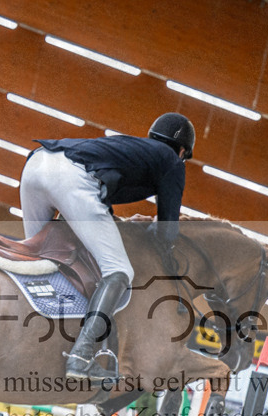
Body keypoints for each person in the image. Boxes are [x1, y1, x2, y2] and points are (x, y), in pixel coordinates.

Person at [19, 112, 196, 387]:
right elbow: (167, 228)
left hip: (36, 163)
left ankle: (24, 331)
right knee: (120, 270)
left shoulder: (131, 149)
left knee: (37, 257)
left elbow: (99, 202)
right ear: (183, 150)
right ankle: (81, 355)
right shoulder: (172, 161)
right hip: (70, 178)